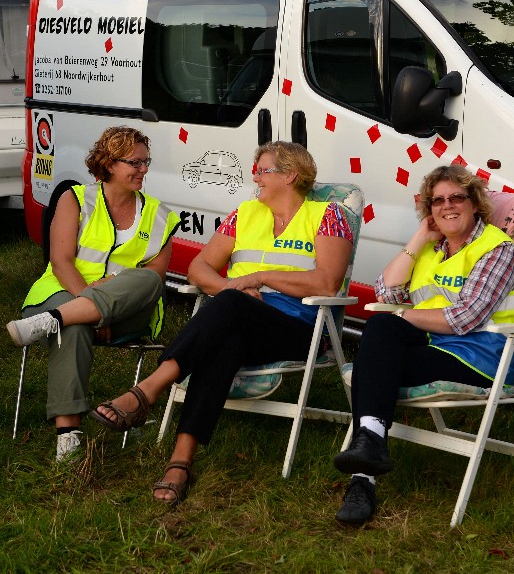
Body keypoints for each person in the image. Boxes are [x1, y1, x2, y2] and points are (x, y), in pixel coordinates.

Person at [90, 141, 353, 505]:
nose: (254, 177)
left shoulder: (328, 216)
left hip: (298, 328)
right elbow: (199, 267)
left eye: (262, 170)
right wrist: (233, 286)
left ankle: (148, 390)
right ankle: (180, 462)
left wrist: (258, 278)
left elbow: (327, 282)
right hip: (238, 316)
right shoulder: (243, 213)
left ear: (291, 175)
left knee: (227, 308)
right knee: (222, 340)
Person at [332, 164, 514, 525]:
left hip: (482, 356)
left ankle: (362, 477)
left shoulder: (497, 250)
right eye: (437, 201)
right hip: (433, 343)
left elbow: (465, 318)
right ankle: (369, 452)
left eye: (457, 197)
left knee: (375, 359)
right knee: (380, 331)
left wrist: (402, 317)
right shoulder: (432, 249)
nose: (447, 206)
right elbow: (385, 292)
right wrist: (418, 240)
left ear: (475, 203)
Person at [6, 127, 180, 462]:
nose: (144, 169)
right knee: (72, 325)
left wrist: (104, 309)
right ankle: (68, 437)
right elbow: (60, 261)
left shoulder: (160, 215)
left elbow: (154, 280)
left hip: (130, 309)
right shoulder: (76, 199)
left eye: (147, 162)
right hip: (61, 291)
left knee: (148, 280)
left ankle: (51, 321)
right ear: (110, 163)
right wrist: (89, 304)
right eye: (136, 163)